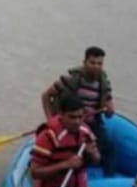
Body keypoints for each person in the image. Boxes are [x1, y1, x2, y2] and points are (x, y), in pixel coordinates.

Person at [41, 46, 116, 176]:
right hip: (69, 122)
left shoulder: (104, 83)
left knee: (110, 148)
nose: (96, 67)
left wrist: (110, 110)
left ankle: (109, 179)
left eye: (99, 64)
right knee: (63, 150)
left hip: (91, 123)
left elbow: (108, 109)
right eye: (92, 63)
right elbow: (46, 96)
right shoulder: (70, 80)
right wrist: (50, 120)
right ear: (84, 62)